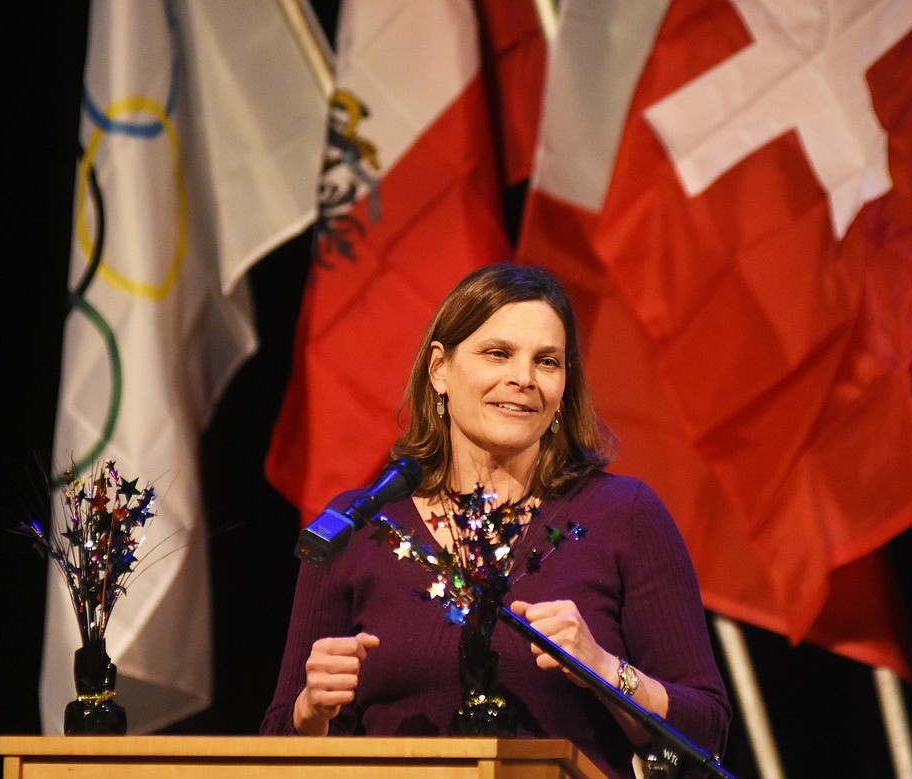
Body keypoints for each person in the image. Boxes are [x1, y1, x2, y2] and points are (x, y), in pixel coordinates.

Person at [261, 263, 731, 778]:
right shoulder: (360, 525)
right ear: (440, 368)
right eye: (498, 354)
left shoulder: (625, 515)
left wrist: (602, 668)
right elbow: (276, 747)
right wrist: (311, 712)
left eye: (547, 361)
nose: (524, 379)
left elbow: (705, 733)